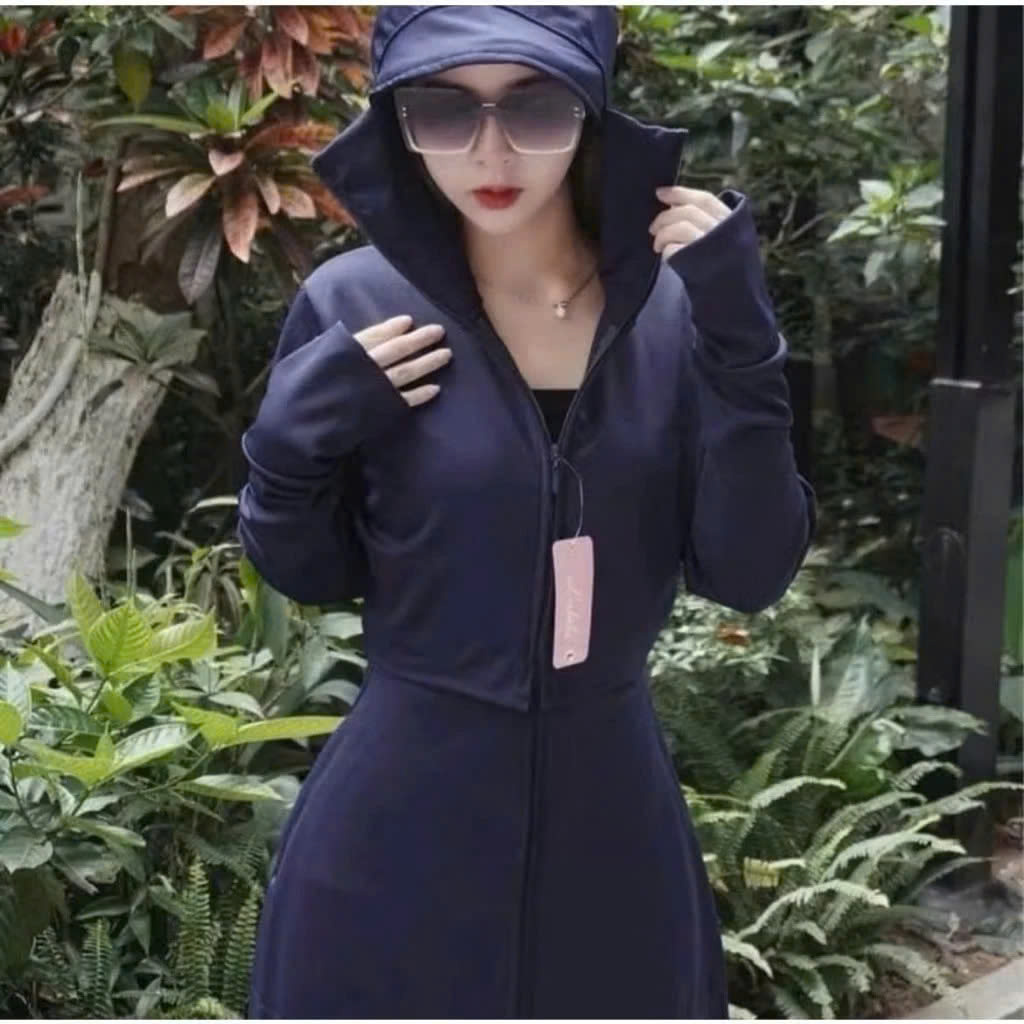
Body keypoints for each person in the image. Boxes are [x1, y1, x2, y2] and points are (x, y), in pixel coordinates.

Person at [238, 5, 815, 1019]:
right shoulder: (354, 305)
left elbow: (748, 571)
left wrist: (744, 354)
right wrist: (284, 452)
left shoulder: (675, 312)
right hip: (394, 827)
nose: (491, 152)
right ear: (398, 122)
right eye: (444, 110)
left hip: (613, 825)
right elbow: (310, 574)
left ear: (591, 114)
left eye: (535, 107)